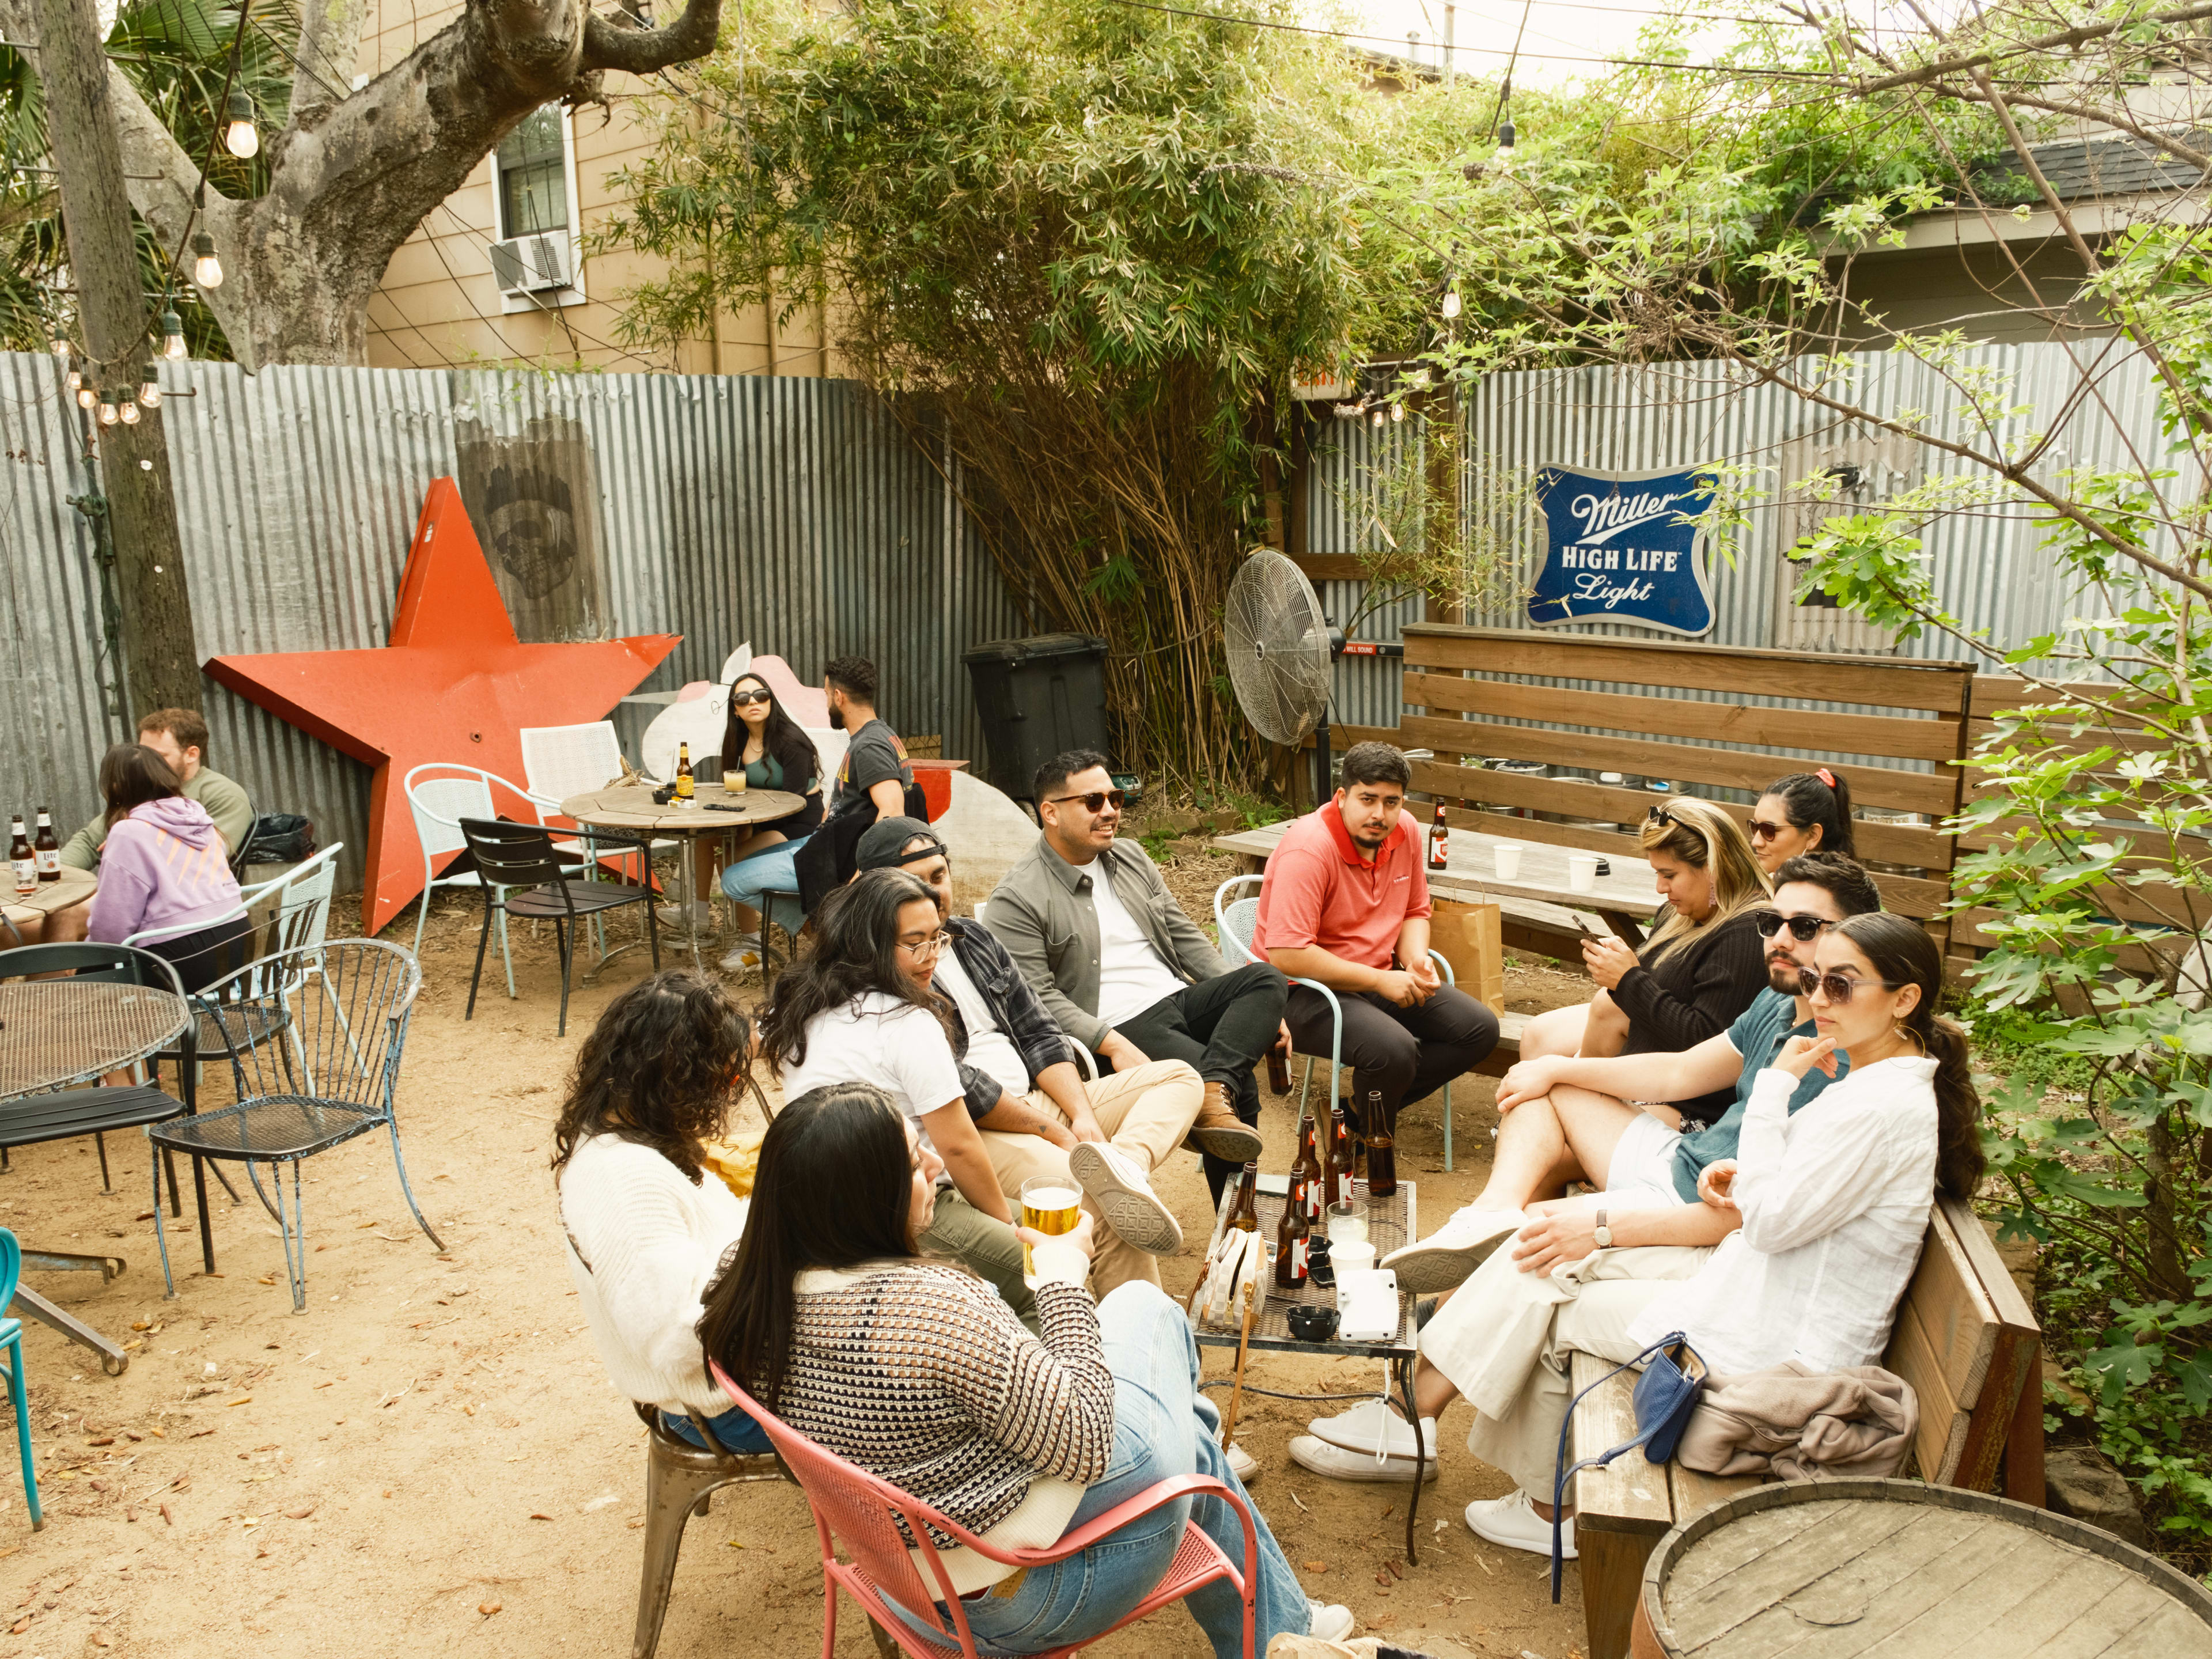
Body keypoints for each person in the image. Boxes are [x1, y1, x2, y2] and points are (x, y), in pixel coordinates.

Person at [1301, 912, 1982, 1563]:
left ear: (1905, 999)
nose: (1818, 996)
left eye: (1840, 983)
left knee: (1550, 1285)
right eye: (1814, 980)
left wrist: (1774, 1091)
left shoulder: (1877, 1102)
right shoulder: (1873, 1078)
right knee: (1543, 1250)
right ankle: (1505, 1481)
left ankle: (1468, 1459)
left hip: (1778, 1348)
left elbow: (1773, 1223)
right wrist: (1730, 1173)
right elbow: (1796, 1200)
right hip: (1747, 1289)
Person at [695, 1082, 1355, 1655]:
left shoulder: (745, 1294)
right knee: (1144, 1307)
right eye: (913, 1163)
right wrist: (1066, 1278)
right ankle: (1277, 1622)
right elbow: (1088, 1442)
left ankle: (1283, 1625)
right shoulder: (932, 1309)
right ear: (866, 1200)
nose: (934, 1162)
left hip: (901, 1571)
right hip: (1016, 1595)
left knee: (1189, 1435)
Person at [1377, 853, 1887, 1296]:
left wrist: (1602, 1227)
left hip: (1698, 1202)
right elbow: (1679, 1070)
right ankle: (1489, 1212)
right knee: (1544, 1085)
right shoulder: (1777, 1000)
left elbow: (1756, 1207)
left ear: (1854, 939)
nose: (1778, 939)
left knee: (1533, 1235)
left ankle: (1436, 1352)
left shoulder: (1848, 1055)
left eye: (1802, 928)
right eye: (1771, 923)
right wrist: (1556, 1067)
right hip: (1681, 1160)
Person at [760, 868, 1184, 1328]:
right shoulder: (905, 1022)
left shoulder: (800, 1008)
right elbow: (959, 1147)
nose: (931, 958)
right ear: (868, 945)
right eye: (914, 943)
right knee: (1051, 1275)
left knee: (1095, 1221)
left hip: (826, 1206)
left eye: (937, 940)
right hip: (905, 1209)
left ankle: (1140, 1333)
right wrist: (1007, 1227)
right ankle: (1081, 1380)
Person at [853, 816, 1207, 1298]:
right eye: (915, 884)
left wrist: (1081, 1117)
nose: (933, 896)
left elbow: (1038, 1030)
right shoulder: (886, 962)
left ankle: (1124, 1166)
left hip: (1037, 1099)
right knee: (1098, 1207)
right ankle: (1133, 1345)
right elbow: (961, 1085)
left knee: (1180, 1078)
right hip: (976, 1127)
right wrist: (1056, 1132)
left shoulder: (973, 939)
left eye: (939, 877)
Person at [987, 749, 1277, 1204]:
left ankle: (1212, 1094)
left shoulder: (1130, 856)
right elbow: (1037, 998)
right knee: (1242, 1085)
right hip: (1118, 1022)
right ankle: (1238, 1224)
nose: (1110, 812)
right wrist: (1113, 1044)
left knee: (1264, 981)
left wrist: (1236, 996)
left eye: (1116, 800)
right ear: (1051, 813)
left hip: (1176, 998)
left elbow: (1183, 935)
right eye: (1093, 802)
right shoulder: (1018, 896)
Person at [552, 972, 771, 1455]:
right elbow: (676, 1342)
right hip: (727, 1407)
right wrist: (777, 1267)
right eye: (728, 1079)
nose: (728, 1094)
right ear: (683, 1080)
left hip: (740, 1373)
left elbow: (712, 1243)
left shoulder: (632, 1137)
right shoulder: (627, 1181)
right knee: (923, 1374)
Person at [1251, 741, 1499, 1160]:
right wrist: (1381, 980)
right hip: (1299, 990)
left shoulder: (1405, 831)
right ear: (1343, 796)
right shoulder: (1308, 849)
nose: (1380, 815)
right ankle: (1368, 1138)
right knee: (1393, 1050)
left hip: (1379, 976)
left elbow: (1416, 910)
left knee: (1479, 1029)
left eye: (1392, 801)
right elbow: (1288, 954)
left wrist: (1416, 957)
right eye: (1368, 799)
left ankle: (1351, 1119)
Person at [1516, 797, 1772, 1124]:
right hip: (1653, 1056)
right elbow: (1658, 989)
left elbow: (1706, 1045)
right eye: (1657, 873)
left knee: (1556, 1100)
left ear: (1713, 867)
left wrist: (1627, 981)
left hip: (1695, 1104)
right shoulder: (1679, 912)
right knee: (1541, 1037)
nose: (1659, 888)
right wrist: (1622, 970)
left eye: (1669, 874)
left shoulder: (1747, 934)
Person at [84, 744, 251, 992]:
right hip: (239, 943)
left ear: (116, 787)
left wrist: (84, 956)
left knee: (83, 981)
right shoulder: (198, 818)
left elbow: (111, 928)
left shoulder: (129, 832)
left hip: (183, 959)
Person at [713, 672, 827, 967]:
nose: (753, 702)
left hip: (799, 822)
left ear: (771, 701)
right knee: (713, 845)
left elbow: (792, 801)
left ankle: (753, 944)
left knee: (731, 860)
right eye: (743, 698)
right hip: (762, 820)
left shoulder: (790, 740)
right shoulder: (737, 743)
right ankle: (697, 914)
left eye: (760, 695)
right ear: (735, 710)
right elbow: (730, 788)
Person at [62, 708, 254, 872]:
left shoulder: (224, 795)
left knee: (65, 915)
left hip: (183, 901)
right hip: (131, 890)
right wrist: (57, 875)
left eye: (158, 756)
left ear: (191, 754)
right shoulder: (144, 788)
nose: (146, 763)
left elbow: (201, 858)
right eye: (143, 754)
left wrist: (128, 844)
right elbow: (90, 841)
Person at [824, 655, 912, 820]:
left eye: (827, 695)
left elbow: (892, 813)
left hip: (841, 845)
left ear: (838, 697)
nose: (827, 704)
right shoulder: (879, 734)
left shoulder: (869, 746)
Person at [1749, 768, 1858, 873]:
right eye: (1754, 827)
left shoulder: (1818, 891)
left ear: (1812, 836)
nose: (1755, 842)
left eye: (1768, 830)